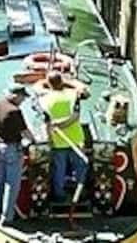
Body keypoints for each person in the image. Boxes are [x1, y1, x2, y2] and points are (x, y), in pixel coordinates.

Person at [0, 83, 34, 223]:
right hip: (11, 150)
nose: (23, 101)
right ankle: (7, 217)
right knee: (12, 184)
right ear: (16, 95)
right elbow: (25, 132)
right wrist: (34, 140)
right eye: (22, 98)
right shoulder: (14, 111)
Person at [40, 71, 89, 203]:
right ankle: (81, 193)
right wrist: (70, 81)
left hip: (58, 141)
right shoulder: (72, 95)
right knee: (80, 167)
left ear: (48, 84)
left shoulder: (44, 100)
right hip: (76, 139)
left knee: (59, 170)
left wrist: (50, 138)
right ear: (62, 82)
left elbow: (47, 123)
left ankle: (59, 195)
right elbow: (76, 114)